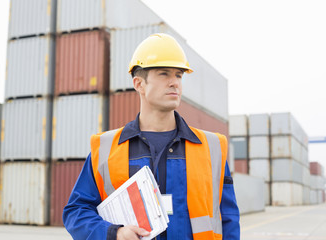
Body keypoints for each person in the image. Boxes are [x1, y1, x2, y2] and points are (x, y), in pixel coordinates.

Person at [63, 33, 240, 240]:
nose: (175, 82)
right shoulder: (106, 149)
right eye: (164, 74)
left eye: (179, 75)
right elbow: (76, 212)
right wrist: (114, 233)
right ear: (139, 84)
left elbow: (228, 219)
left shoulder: (212, 147)